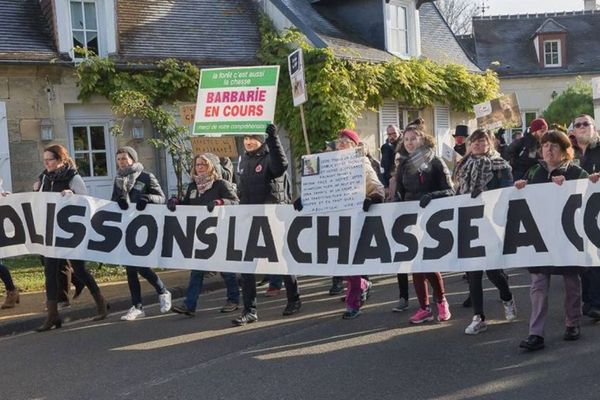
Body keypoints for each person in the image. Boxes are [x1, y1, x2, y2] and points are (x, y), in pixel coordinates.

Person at [516, 131, 588, 351]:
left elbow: (590, 194)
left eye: (554, 145)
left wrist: (570, 186)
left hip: (567, 237)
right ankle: (535, 333)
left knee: (571, 282)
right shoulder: (535, 171)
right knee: (538, 284)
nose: (548, 149)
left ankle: (572, 322)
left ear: (566, 151)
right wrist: (519, 187)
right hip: (539, 237)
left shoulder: (576, 172)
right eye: (545, 145)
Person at [233, 124, 302, 326]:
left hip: (272, 218)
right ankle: (249, 310)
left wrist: (273, 137)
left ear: (261, 140)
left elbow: (281, 165)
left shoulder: (269, 156)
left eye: (252, 138)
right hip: (250, 219)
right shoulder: (243, 160)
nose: (248, 142)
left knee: (282, 262)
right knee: (247, 266)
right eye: (245, 138)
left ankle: (294, 299)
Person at [34, 145, 108, 331]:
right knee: (50, 272)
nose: (46, 163)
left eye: (49, 159)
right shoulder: (44, 178)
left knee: (79, 270)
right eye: (45, 160)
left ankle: (101, 303)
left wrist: (72, 195)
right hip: (51, 232)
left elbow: (87, 201)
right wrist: (35, 191)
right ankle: (53, 316)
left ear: (60, 159)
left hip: (71, 233)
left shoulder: (73, 177)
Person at [453, 129, 517, 335]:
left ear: (490, 144)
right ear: (469, 145)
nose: (478, 146)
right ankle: (479, 317)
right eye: (474, 142)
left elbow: (507, 194)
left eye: (482, 142)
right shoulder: (463, 166)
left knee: (493, 273)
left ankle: (507, 297)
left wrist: (488, 195)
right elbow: (456, 193)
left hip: (492, 224)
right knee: (473, 273)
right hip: (470, 224)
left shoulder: (501, 167)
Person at [168, 153, 241, 316]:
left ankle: (233, 299)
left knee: (226, 269)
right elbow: (187, 204)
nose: (199, 167)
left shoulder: (221, 184)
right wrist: (176, 202)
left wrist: (219, 202)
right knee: (197, 270)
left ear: (212, 167)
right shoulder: (193, 186)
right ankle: (189, 304)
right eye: (197, 164)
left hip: (220, 232)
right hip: (201, 235)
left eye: (203, 164)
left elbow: (235, 201)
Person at [395, 126, 453, 323]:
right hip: (410, 218)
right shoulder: (403, 165)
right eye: (406, 139)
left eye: (413, 138)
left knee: (428, 264)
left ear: (422, 139)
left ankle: (441, 301)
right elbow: (400, 193)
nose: (409, 142)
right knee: (415, 265)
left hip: (432, 218)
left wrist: (431, 196)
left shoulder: (435, 161)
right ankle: (424, 308)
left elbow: (450, 191)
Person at [112, 146, 171, 321]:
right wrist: (118, 202)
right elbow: (113, 201)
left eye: (125, 158)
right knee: (130, 267)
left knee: (139, 266)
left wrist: (148, 199)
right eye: (119, 159)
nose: (122, 162)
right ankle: (137, 306)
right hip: (126, 226)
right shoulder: (118, 179)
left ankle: (162, 291)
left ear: (133, 159)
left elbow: (161, 197)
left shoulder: (146, 176)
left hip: (144, 226)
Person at [336, 129, 384, 319]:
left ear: (355, 145)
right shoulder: (331, 164)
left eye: (345, 141)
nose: (340, 144)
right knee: (341, 262)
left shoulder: (361, 162)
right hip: (336, 219)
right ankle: (362, 284)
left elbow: (376, 187)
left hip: (355, 218)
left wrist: (372, 198)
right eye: (339, 141)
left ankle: (353, 303)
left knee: (352, 263)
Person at [571, 114, 600, 319]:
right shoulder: (570, 152)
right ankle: (589, 301)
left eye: (585, 124)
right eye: (578, 125)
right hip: (579, 212)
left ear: (594, 127)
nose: (582, 127)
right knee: (584, 260)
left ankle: (596, 302)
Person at [381, 124, 401, 189]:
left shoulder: (404, 145)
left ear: (399, 132)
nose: (392, 136)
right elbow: (384, 166)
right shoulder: (386, 147)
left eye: (394, 133)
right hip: (388, 180)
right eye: (389, 134)